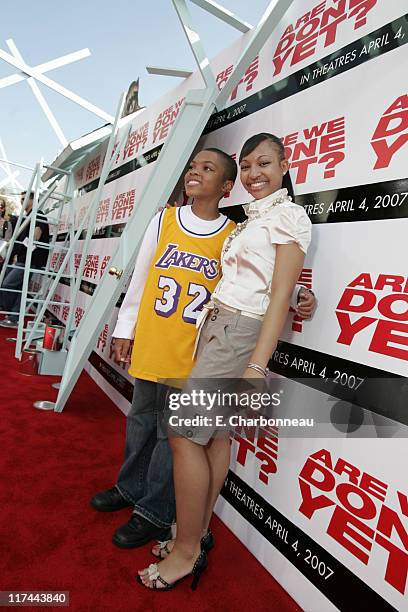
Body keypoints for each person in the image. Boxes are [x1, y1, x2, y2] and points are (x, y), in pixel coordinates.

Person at [91, 147, 315, 550]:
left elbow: (257, 275)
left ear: (226, 187)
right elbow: (140, 276)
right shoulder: (165, 219)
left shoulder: (233, 233)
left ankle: (155, 510)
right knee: (141, 420)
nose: (194, 173)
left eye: (207, 168)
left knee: (171, 434)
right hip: (155, 341)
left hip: (193, 349)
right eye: (192, 166)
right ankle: (129, 487)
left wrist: (299, 292)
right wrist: (126, 326)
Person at [0, 191, 50, 328]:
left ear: (32, 199)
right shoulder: (28, 216)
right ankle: (14, 318)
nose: (22, 201)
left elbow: (36, 236)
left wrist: (22, 252)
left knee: (7, 285)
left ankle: (11, 313)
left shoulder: (37, 214)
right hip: (24, 259)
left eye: (24, 198)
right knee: (19, 288)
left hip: (30, 260)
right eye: (21, 198)